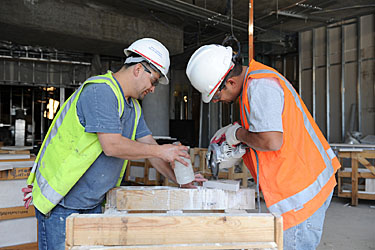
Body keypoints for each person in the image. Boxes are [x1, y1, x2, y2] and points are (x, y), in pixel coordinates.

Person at [24, 38, 205, 250]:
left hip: (91, 204)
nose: (153, 89)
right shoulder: (100, 91)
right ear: (138, 69)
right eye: (154, 81)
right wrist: (162, 150)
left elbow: (150, 149)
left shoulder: (133, 108)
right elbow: (112, 145)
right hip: (62, 204)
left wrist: (178, 179)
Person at [186, 44, 341, 250]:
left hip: (300, 193)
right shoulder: (254, 84)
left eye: (216, 96)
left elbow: (272, 141)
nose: (217, 101)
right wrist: (242, 146)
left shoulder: (260, 86)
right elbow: (265, 137)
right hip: (299, 184)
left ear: (230, 82)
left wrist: (237, 134)